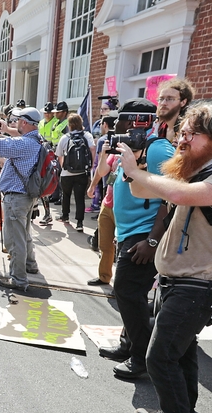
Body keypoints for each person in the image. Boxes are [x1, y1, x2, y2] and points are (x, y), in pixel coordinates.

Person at [120, 103, 212, 413]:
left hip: (198, 285)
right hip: (174, 281)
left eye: (191, 133)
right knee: (182, 353)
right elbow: (143, 191)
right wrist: (134, 169)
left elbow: (174, 194)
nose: (182, 139)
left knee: (159, 357)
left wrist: (139, 171)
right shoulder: (192, 173)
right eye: (182, 132)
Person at [94, 98, 174, 380]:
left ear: (136, 122)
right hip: (128, 232)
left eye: (120, 122)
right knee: (133, 295)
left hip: (144, 236)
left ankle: (142, 358)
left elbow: (171, 197)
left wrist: (152, 241)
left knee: (126, 292)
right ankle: (129, 346)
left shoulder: (158, 149)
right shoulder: (129, 150)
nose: (115, 127)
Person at [0, 107, 42, 291]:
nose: (15, 123)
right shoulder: (37, 140)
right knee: (24, 234)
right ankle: (30, 265)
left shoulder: (22, 144)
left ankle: (18, 279)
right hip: (27, 195)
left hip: (16, 198)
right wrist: (6, 128)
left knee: (13, 240)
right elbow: (16, 134)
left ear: (24, 122)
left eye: (18, 121)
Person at [86, 112, 120, 286]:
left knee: (122, 249)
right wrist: (104, 154)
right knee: (105, 245)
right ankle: (104, 276)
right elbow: (102, 171)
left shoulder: (138, 150)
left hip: (124, 207)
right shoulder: (113, 150)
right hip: (108, 203)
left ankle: (121, 285)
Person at [55, 113, 95, 232]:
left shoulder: (65, 137)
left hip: (67, 173)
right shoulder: (87, 135)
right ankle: (79, 223)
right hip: (82, 172)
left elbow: (59, 155)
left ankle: (65, 216)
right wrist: (91, 165)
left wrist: (64, 167)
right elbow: (92, 148)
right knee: (79, 198)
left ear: (69, 125)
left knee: (66, 195)